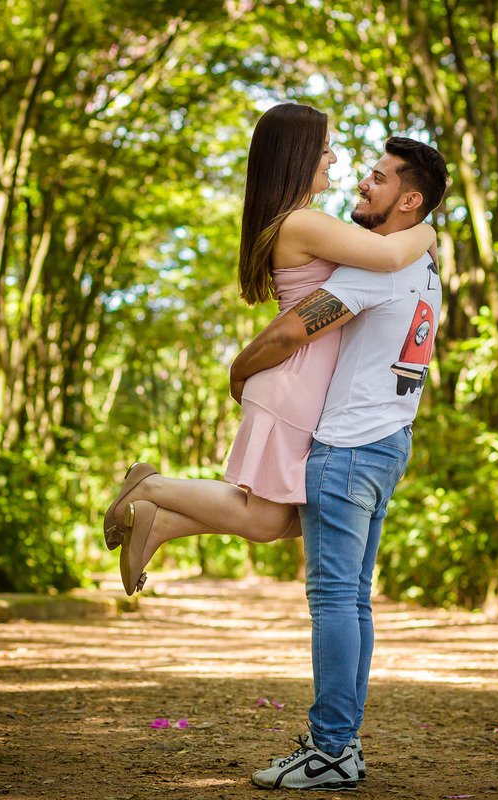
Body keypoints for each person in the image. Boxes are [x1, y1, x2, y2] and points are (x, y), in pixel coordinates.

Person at [103, 104, 435, 596]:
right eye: (324, 149)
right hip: (295, 379)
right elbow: (388, 256)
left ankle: (161, 522)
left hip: (303, 381)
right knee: (268, 519)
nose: (334, 159)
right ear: (297, 155)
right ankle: (149, 487)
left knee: (295, 516)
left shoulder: (304, 222)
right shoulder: (303, 223)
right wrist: (429, 229)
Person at [238, 136, 451, 791]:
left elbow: (287, 333)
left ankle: (331, 748)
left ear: (408, 200)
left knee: (333, 601)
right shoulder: (424, 270)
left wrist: (239, 372)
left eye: (380, 178)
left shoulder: (374, 269)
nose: (363, 183)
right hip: (390, 442)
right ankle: (341, 747)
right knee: (352, 601)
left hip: (349, 447)